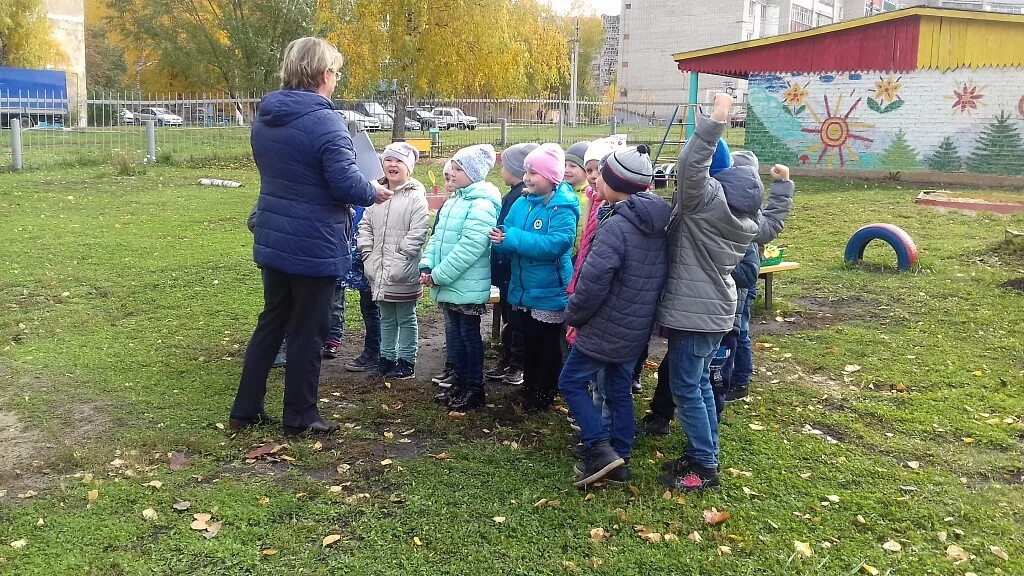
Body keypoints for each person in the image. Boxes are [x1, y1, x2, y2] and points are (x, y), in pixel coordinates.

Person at [229, 37, 393, 436]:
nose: (336, 80)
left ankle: (245, 410)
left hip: (274, 234)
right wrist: (374, 190)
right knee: (308, 330)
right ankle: (300, 416)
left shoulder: (266, 118)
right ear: (323, 75)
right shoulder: (325, 121)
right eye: (335, 73)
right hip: (313, 243)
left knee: (273, 321)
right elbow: (343, 184)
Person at [655, 92, 760, 490]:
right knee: (697, 384)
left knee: (686, 387)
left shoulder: (705, 207)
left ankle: (703, 467)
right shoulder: (742, 220)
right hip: (714, 311)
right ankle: (706, 453)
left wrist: (718, 118)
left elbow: (690, 163)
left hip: (696, 314)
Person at [642, 158, 794, 434]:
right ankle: (669, 420)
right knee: (684, 374)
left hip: (719, 317)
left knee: (709, 380)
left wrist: (714, 260)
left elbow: (749, 272)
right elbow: (770, 224)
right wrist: (782, 185)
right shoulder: (713, 214)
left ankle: (706, 444)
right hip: (698, 311)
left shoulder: (733, 225)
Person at [559, 145, 670, 487]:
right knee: (619, 388)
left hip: (605, 325)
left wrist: (573, 315)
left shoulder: (616, 227)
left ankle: (599, 447)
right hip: (635, 327)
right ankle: (620, 460)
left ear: (612, 183)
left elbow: (593, 284)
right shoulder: (658, 221)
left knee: (570, 382)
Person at [490, 143, 579, 413]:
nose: (527, 177)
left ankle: (545, 391)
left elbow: (557, 244)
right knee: (527, 339)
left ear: (551, 178)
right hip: (523, 285)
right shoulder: (523, 202)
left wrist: (512, 239)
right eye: (526, 171)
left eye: (534, 173)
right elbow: (510, 229)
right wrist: (500, 237)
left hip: (548, 288)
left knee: (547, 345)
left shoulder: (561, 208)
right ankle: (529, 386)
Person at [420, 145, 501, 411]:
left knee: (469, 336)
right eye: (452, 168)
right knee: (454, 335)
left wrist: (439, 275)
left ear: (473, 173)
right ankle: (460, 383)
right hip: (447, 281)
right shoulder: (455, 200)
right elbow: (437, 237)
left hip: (466, 284)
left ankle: (474, 388)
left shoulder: (482, 204)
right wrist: (427, 264)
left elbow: (470, 247)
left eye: (458, 169)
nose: (451, 173)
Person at [359, 142, 430, 379]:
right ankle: (386, 357)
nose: (392, 165)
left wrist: (401, 258)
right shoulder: (376, 195)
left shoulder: (415, 197)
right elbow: (365, 226)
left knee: (406, 316)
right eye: (389, 160)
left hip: (403, 270)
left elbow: (418, 232)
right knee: (386, 316)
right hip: (377, 268)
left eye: (399, 161)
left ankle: (407, 360)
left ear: (408, 168)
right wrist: (367, 254)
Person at [484, 143, 538, 387]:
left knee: (516, 322)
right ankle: (509, 359)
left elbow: (511, 230)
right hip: (506, 269)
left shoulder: (520, 196)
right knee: (511, 319)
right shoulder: (515, 195)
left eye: (504, 165)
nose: (501, 169)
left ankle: (518, 365)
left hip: (511, 269)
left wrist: (502, 253)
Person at [338, 202, 383, 371]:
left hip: (373, 261)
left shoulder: (376, 199)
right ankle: (377, 351)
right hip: (359, 262)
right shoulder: (355, 200)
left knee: (374, 309)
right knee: (369, 308)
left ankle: (375, 352)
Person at [430, 160, 459, 388]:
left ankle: (459, 370)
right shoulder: (446, 206)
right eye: (446, 178)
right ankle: (451, 365)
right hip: (442, 274)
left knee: (461, 328)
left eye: (453, 177)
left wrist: (440, 271)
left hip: (456, 276)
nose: (449, 183)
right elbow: (436, 237)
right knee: (449, 324)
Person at [564, 141, 591, 257]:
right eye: (564, 165)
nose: (566, 170)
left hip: (581, 254)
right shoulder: (560, 192)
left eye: (573, 166)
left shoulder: (590, 196)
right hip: (565, 253)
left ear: (586, 171)